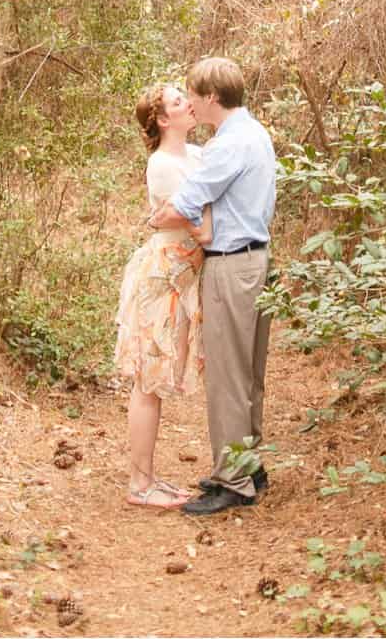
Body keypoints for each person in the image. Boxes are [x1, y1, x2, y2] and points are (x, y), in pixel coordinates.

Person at [149, 56, 277, 516]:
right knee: (247, 371)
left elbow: (183, 202)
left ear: (211, 97)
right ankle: (248, 465)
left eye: (194, 96)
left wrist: (157, 217)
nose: (193, 105)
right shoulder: (254, 133)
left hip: (232, 265)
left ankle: (234, 481)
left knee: (227, 375)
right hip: (256, 260)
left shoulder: (227, 145)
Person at [114, 83, 212, 509]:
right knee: (148, 380)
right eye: (177, 102)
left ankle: (149, 477)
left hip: (182, 276)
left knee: (155, 380)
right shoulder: (162, 165)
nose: (188, 104)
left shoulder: (197, 155)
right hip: (162, 279)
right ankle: (139, 485)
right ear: (162, 120)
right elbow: (200, 225)